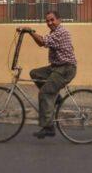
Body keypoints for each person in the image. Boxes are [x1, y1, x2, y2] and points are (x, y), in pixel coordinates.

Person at [19, 10, 77, 139]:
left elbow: (42, 42)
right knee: (35, 73)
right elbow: (42, 42)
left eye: (52, 20)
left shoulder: (61, 32)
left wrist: (30, 31)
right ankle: (56, 99)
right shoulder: (54, 32)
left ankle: (49, 127)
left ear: (59, 20)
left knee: (45, 93)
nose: (50, 23)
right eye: (47, 21)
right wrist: (28, 32)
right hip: (55, 67)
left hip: (65, 69)